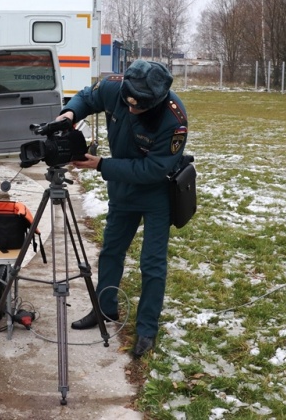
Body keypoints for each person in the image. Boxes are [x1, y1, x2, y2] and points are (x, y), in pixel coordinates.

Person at [58, 59, 188, 358]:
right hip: (122, 190)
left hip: (157, 193)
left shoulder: (174, 119)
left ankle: (146, 329)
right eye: (127, 103)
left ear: (155, 100)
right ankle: (104, 309)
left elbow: (154, 169)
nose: (130, 110)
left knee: (152, 263)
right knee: (111, 252)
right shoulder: (116, 86)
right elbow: (87, 97)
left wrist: (101, 164)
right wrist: (70, 112)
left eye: (138, 107)